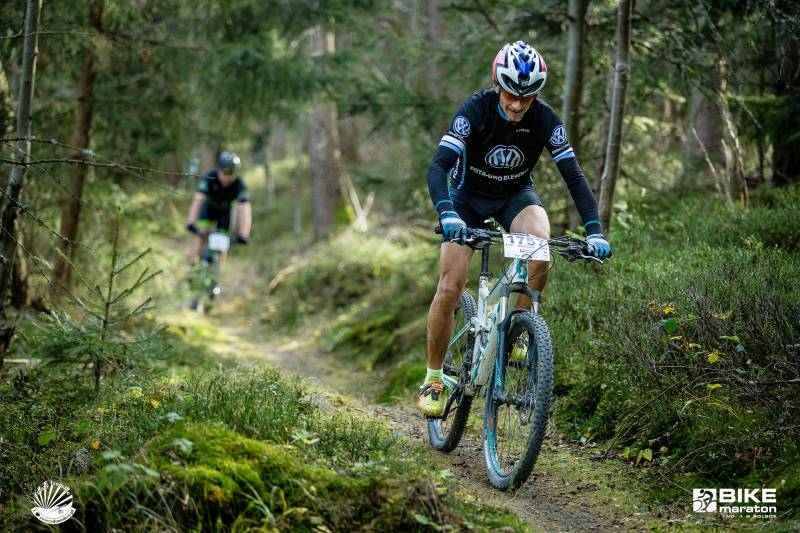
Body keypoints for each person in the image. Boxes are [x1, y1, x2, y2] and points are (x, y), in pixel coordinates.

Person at [418, 40, 612, 417]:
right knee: (450, 286)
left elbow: (574, 176)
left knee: (540, 248)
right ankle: (434, 378)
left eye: (527, 97)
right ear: (497, 85)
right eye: (511, 94)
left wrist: (595, 231)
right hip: (466, 198)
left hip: (514, 195)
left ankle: (517, 330)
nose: (518, 104)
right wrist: (448, 214)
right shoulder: (475, 110)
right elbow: (438, 166)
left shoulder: (545, 119)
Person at [185, 151, 252, 262]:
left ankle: (219, 270)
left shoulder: (240, 185)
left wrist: (244, 233)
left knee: (223, 244)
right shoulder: (209, 177)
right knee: (201, 235)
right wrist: (191, 221)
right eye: (225, 172)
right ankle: (194, 264)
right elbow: (198, 199)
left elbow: (244, 208)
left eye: (231, 173)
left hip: (225, 212)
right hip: (209, 208)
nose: (227, 177)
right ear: (219, 169)